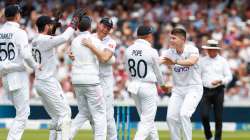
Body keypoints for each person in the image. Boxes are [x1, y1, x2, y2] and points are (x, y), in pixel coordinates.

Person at [31, 13, 80, 140]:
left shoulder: (36, 40)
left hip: (41, 81)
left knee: (56, 117)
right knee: (65, 114)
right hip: (47, 82)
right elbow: (64, 38)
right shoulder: (44, 40)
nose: (53, 26)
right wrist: (73, 23)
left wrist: (53, 27)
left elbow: (50, 39)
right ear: (46, 26)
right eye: (51, 25)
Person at [0, 4, 39, 140]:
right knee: (23, 112)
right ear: (17, 16)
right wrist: (36, 66)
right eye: (20, 14)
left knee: (20, 111)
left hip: (5, 75)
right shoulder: (20, 32)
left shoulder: (0, 31)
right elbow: (26, 55)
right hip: (17, 74)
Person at [124, 25, 166, 140]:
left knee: (148, 120)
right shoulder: (151, 51)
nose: (152, 36)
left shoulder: (128, 50)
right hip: (147, 86)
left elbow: (127, 70)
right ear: (148, 36)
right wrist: (163, 85)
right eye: (151, 34)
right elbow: (158, 72)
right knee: (147, 121)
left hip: (134, 85)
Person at [161, 28, 203, 140]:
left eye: (174, 38)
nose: (171, 40)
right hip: (178, 89)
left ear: (183, 39)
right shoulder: (169, 52)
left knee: (184, 114)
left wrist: (174, 62)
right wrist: (165, 83)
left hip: (193, 88)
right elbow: (157, 62)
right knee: (170, 118)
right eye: (170, 38)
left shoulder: (192, 49)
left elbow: (191, 62)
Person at [70, 15, 107, 140]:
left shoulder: (74, 41)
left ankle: (65, 137)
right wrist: (92, 46)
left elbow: (72, 56)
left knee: (83, 112)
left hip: (76, 80)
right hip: (91, 80)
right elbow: (103, 58)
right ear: (90, 26)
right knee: (100, 114)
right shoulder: (94, 40)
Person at [81, 17, 117, 140]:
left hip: (105, 82)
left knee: (107, 116)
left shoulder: (111, 42)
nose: (105, 29)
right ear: (98, 24)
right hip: (91, 80)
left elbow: (105, 58)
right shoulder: (89, 37)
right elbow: (75, 52)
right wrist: (72, 54)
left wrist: (91, 46)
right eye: (104, 26)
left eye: (108, 28)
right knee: (93, 116)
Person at [200, 39, 232, 140]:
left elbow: (229, 76)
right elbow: (197, 76)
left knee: (218, 117)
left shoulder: (223, 61)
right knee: (204, 115)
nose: (210, 51)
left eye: (212, 49)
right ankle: (208, 136)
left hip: (218, 90)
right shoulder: (202, 61)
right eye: (208, 49)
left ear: (216, 50)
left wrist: (220, 81)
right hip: (205, 91)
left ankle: (218, 138)